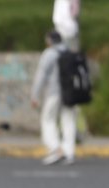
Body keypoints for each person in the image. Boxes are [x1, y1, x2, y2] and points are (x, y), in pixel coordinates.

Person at [31, 30, 77, 166]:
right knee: (68, 121)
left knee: (48, 120)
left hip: (54, 92)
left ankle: (55, 149)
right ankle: (69, 153)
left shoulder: (49, 54)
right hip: (70, 93)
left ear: (49, 40)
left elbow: (41, 75)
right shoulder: (69, 52)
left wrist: (35, 95)